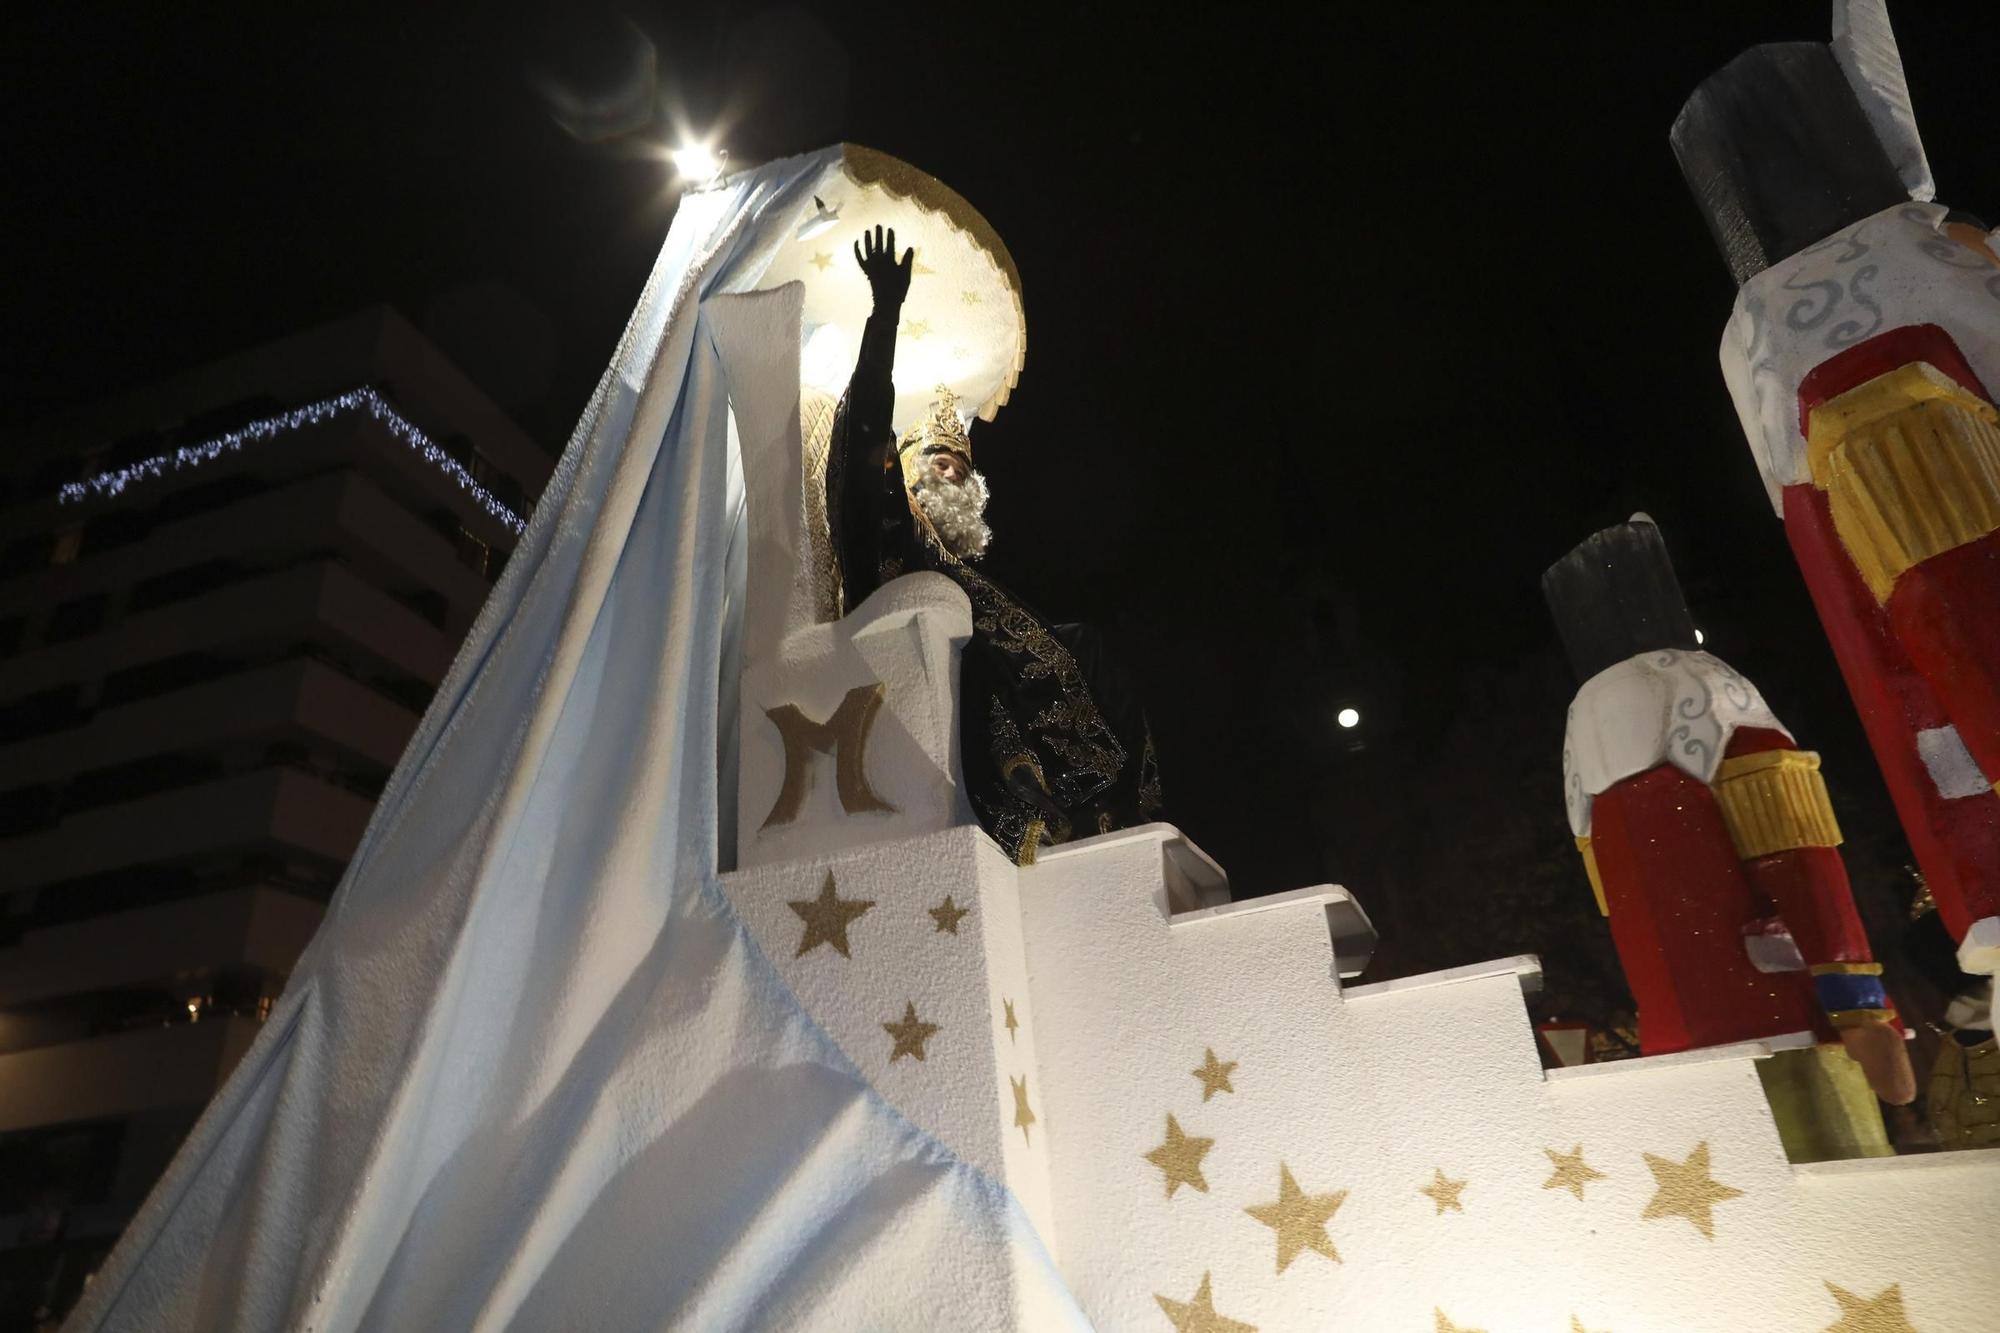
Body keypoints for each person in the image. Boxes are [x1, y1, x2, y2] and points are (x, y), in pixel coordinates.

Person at [824, 225, 1162, 864]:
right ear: (909, 468)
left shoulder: (961, 560)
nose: (951, 472)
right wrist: (886, 314)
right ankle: (1029, 805)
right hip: (912, 644)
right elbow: (867, 419)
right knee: (980, 659)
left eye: (960, 465)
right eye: (937, 462)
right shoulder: (893, 519)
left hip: (993, 659)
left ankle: (1122, 803)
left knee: (1084, 640)